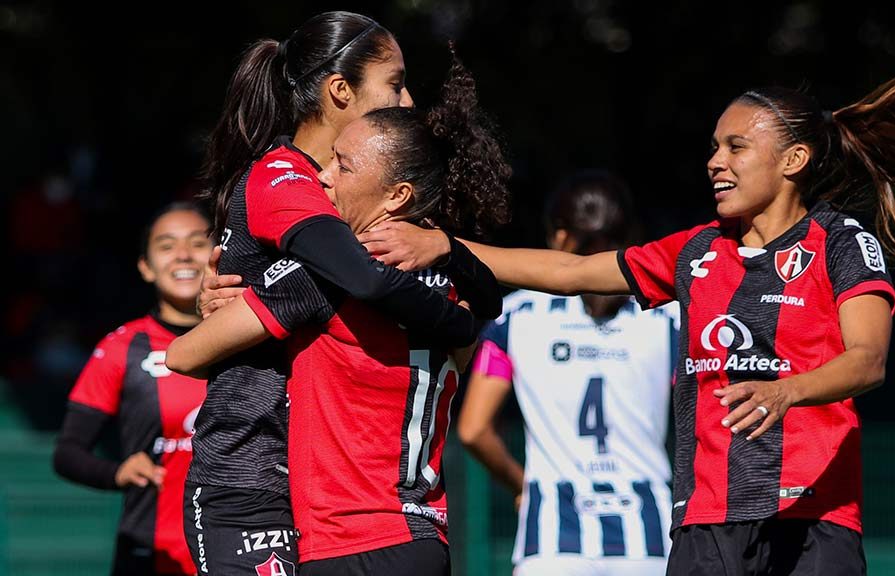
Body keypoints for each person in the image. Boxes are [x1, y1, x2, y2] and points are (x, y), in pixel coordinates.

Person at [358, 48, 895, 574]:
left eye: (734, 148)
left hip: (811, 522)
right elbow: (571, 271)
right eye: (713, 148)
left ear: (794, 161)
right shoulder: (696, 252)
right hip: (703, 529)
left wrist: (789, 391)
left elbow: (867, 360)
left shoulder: (840, 244)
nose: (714, 162)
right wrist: (445, 245)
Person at [174, 11, 500, 576]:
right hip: (251, 474)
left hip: (323, 496)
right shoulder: (287, 179)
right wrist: (461, 325)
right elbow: (364, 279)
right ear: (341, 91)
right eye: (394, 83)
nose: (406, 101)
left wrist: (447, 250)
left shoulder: (361, 204)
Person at [458, 171, 679, 575]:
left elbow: (473, 429)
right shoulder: (668, 320)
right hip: (648, 536)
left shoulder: (516, 317)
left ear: (558, 239)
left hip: (551, 540)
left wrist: (523, 485)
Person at [53, 203, 213, 576]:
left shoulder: (259, 335)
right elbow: (67, 452)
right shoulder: (121, 347)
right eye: (167, 246)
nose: (184, 255)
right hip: (151, 554)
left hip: (241, 551)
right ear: (145, 266)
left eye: (197, 243)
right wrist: (118, 472)